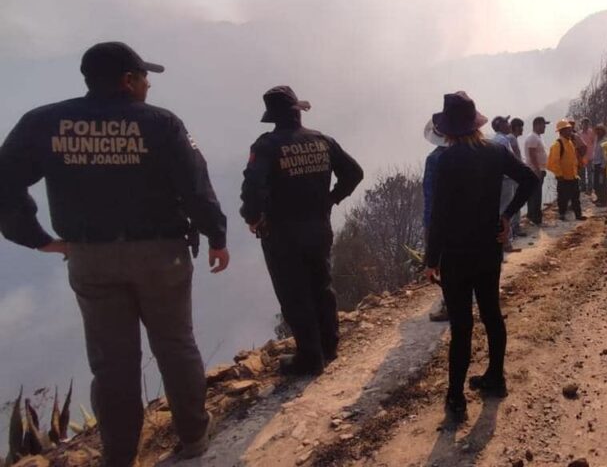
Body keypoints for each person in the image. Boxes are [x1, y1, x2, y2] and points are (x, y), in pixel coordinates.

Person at [0, 41, 230, 465]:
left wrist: (37, 237)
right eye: (144, 77)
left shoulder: (45, 123)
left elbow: (3, 181)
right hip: (162, 255)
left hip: (92, 259)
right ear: (128, 81)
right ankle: (195, 439)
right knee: (176, 346)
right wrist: (217, 235)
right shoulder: (162, 124)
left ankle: (120, 457)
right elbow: (196, 187)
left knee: (112, 364)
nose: (147, 85)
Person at [423, 92, 537, 422]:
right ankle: (496, 378)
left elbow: (440, 216)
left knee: (461, 326)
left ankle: (456, 398)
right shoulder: (496, 151)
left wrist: (431, 261)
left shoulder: (445, 161)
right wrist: (507, 216)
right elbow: (529, 179)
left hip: (456, 256)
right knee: (491, 314)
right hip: (488, 248)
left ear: (447, 128)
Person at [241, 86, 363, 376]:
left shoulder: (266, 146)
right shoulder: (322, 140)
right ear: (297, 111)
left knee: (293, 292)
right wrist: (332, 198)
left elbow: (253, 188)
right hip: (319, 226)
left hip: (282, 233)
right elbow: (354, 173)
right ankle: (329, 345)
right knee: (322, 284)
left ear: (272, 117)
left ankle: (309, 357)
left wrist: (253, 217)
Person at [423, 120, 449, 322]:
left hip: (442, 219)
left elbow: (430, 196)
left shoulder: (434, 159)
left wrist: (428, 226)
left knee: (444, 263)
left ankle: (449, 304)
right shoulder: (469, 153)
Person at [547, 119, 585, 221]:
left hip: (573, 175)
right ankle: (562, 214)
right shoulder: (558, 144)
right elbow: (554, 162)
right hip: (563, 177)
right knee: (563, 197)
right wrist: (559, 175)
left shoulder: (570, 143)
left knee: (575, 197)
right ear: (562, 131)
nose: (570, 132)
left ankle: (578, 215)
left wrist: (578, 167)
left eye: (570, 129)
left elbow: (573, 158)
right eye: (568, 130)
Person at [490, 116, 519, 251]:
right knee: (505, 210)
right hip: (505, 179)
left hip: (497, 179)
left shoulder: (495, 139)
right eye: (506, 122)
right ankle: (505, 242)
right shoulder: (503, 140)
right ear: (500, 125)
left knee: (499, 209)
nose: (509, 125)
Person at [523, 117, 549, 225]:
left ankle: (531, 216)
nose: (545, 127)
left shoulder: (537, 137)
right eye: (543, 125)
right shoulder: (533, 138)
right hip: (535, 170)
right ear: (537, 125)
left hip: (538, 169)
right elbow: (532, 155)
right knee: (536, 195)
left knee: (534, 194)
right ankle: (536, 218)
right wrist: (538, 170)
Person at [508, 118, 526, 237]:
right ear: (515, 127)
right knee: (515, 200)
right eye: (520, 127)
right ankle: (515, 227)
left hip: (512, 175)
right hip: (514, 176)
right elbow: (516, 157)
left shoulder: (510, 138)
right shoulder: (512, 139)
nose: (522, 130)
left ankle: (513, 227)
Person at [590, 124, 607, 207]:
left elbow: (605, 155)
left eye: (600, 130)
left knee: (602, 183)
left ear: (603, 131)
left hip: (601, 165)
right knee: (596, 184)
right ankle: (599, 198)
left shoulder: (605, 141)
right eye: (597, 130)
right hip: (596, 164)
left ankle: (603, 201)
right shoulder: (596, 140)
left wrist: (603, 166)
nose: (598, 132)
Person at [578, 117, 596, 194]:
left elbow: (594, 142)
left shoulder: (591, 132)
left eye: (587, 123)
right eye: (584, 123)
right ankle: (583, 187)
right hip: (582, 156)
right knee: (582, 173)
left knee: (590, 173)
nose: (585, 125)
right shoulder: (579, 133)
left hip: (590, 156)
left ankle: (590, 188)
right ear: (582, 124)